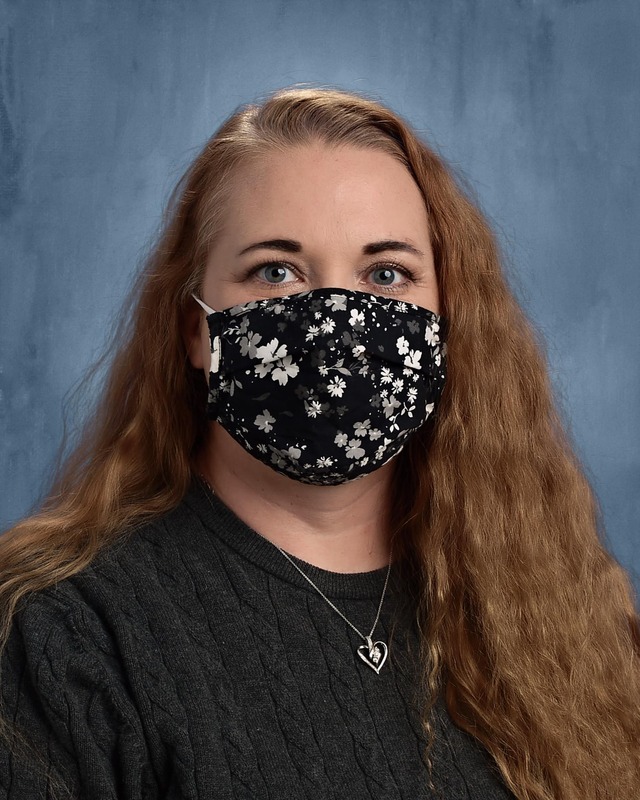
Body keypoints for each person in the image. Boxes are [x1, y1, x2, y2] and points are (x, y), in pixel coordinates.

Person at [0, 85, 638, 800]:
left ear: (448, 320)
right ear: (196, 330)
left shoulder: (554, 616)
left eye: (386, 274)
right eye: (276, 271)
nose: (336, 319)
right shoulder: (66, 639)